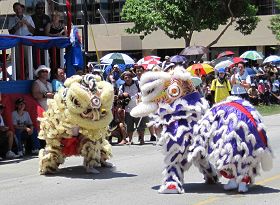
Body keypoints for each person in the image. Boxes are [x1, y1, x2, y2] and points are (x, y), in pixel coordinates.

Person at [118, 71, 145, 145]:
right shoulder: (122, 86)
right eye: (125, 78)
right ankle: (130, 140)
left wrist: (133, 96)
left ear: (131, 77)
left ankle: (142, 139)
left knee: (140, 125)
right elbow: (119, 96)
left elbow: (142, 92)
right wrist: (122, 94)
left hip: (137, 107)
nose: (127, 79)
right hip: (128, 109)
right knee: (129, 125)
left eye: (128, 77)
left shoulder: (137, 84)